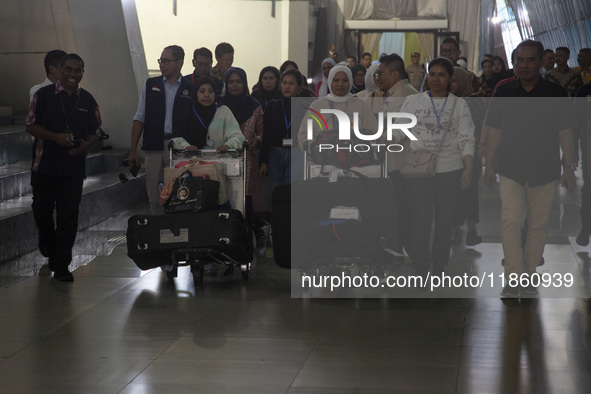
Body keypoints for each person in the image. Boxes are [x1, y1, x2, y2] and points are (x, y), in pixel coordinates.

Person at [484, 40, 577, 297]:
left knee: (538, 224)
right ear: (513, 63)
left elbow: (565, 132)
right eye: (519, 60)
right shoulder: (504, 91)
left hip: (544, 169)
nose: (524, 65)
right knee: (511, 219)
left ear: (540, 62)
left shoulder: (554, 93)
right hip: (510, 167)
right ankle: (513, 276)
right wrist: (489, 164)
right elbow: (495, 130)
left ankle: (528, 273)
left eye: (530, 60)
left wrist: (568, 167)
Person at [393, 57, 475, 277]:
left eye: (441, 75)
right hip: (418, 169)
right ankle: (421, 265)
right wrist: (381, 138)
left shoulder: (459, 105)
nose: (436, 79)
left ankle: (439, 264)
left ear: (450, 79)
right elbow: (401, 129)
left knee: (444, 220)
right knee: (420, 218)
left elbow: (466, 138)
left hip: (450, 169)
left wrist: (468, 168)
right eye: (432, 74)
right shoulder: (414, 102)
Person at [26, 53, 102, 281]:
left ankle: (61, 266)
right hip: (45, 166)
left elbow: (95, 131)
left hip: (73, 169)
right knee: (42, 211)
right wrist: (55, 137)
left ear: (82, 73)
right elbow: (31, 126)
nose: (72, 75)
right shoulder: (43, 95)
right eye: (68, 69)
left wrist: (85, 146)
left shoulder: (88, 100)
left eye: (77, 71)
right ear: (59, 70)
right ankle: (49, 244)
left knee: (69, 217)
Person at [128, 45, 195, 214]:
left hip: (179, 147)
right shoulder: (151, 85)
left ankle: (177, 232)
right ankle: (158, 230)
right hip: (154, 146)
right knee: (154, 194)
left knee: (179, 192)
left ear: (179, 63)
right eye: (161, 60)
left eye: (166, 61)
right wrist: (133, 149)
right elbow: (140, 116)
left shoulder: (190, 88)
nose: (162, 64)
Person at [374, 54, 418, 257]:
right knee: (398, 211)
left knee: (406, 212)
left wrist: (372, 139)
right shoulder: (393, 94)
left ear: (394, 74)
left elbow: (399, 131)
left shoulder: (407, 95)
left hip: (404, 166)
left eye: (381, 73)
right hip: (394, 164)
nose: (378, 77)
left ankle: (414, 254)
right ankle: (400, 249)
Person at [299, 65, 378, 149]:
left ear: (350, 81)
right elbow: (304, 136)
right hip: (323, 159)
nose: (340, 84)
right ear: (330, 81)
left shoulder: (361, 105)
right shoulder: (317, 106)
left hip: (355, 158)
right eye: (336, 80)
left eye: (345, 80)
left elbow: (373, 132)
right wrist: (316, 150)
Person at [220, 67, 263, 223]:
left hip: (247, 158)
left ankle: (246, 231)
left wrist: (257, 139)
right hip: (223, 156)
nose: (235, 85)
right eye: (231, 82)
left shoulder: (255, 106)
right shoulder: (219, 104)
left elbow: (261, 131)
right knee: (223, 194)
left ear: (244, 83)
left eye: (239, 81)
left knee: (245, 196)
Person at [450, 66, 487, 246]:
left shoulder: (475, 102)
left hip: (470, 153)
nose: (451, 84)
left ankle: (472, 230)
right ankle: (455, 230)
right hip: (449, 154)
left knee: (470, 191)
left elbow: (480, 126)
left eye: (455, 81)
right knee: (453, 192)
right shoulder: (445, 101)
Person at [172, 76, 244, 153]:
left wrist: (227, 146)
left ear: (215, 93)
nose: (207, 95)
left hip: (220, 161)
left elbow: (238, 137)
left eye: (210, 91)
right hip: (191, 162)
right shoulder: (187, 112)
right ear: (195, 93)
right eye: (202, 91)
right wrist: (186, 147)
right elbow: (176, 138)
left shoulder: (223, 111)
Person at [259, 69, 303, 195]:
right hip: (275, 152)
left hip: (297, 152)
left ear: (299, 87)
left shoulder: (305, 106)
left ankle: (290, 215)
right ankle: (276, 215)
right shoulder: (273, 106)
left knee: (293, 192)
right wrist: (263, 162)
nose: (287, 86)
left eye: (291, 83)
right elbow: (266, 135)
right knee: (274, 191)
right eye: (284, 83)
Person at [574, 82, 591, 246]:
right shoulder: (584, 90)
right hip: (587, 148)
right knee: (588, 189)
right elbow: (577, 121)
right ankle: (586, 228)